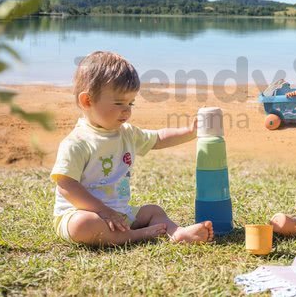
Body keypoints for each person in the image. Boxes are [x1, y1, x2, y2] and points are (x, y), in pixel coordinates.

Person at [51, 51, 214, 246]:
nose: (127, 110)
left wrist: (190, 131)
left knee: (154, 211)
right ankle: (137, 236)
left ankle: (176, 233)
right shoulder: (77, 142)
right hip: (83, 214)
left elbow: (158, 138)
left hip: (121, 214)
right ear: (87, 101)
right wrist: (103, 211)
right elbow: (66, 185)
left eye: (130, 103)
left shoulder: (127, 133)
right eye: (119, 103)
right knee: (83, 225)